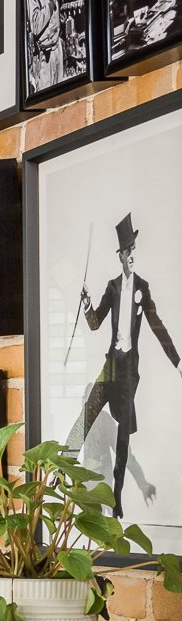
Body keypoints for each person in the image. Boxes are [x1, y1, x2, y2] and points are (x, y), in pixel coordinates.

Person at [67, 214, 181, 513]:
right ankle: (61, 466)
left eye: (134, 249)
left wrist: (178, 362)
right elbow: (95, 323)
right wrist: (87, 304)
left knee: (122, 437)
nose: (132, 255)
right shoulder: (113, 287)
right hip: (111, 366)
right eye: (127, 250)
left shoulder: (143, 287)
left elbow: (157, 326)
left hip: (129, 372)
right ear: (120, 256)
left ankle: (116, 498)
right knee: (86, 414)